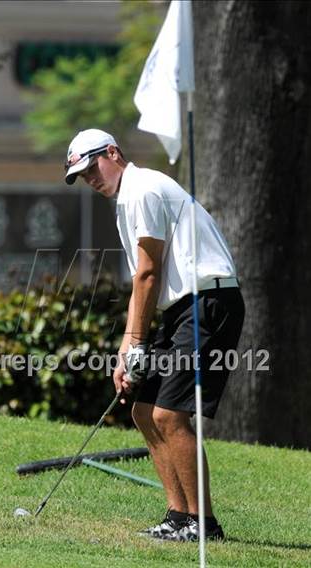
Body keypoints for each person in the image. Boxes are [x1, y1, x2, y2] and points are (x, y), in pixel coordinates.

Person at [64, 128, 245, 542]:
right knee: (144, 411)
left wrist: (137, 340)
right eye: (82, 175)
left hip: (208, 303)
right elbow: (140, 279)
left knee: (169, 415)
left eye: (93, 166)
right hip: (183, 308)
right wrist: (128, 348)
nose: (91, 178)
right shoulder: (128, 198)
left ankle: (203, 524)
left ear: (112, 152)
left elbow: (149, 272)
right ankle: (178, 517)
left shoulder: (143, 188)